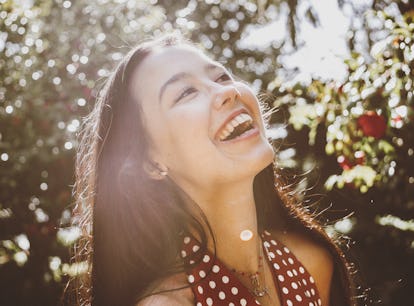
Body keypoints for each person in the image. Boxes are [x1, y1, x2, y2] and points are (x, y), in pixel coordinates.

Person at [71, 33, 355, 306]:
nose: (228, 90)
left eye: (221, 76)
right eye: (186, 92)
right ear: (151, 162)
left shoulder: (313, 262)